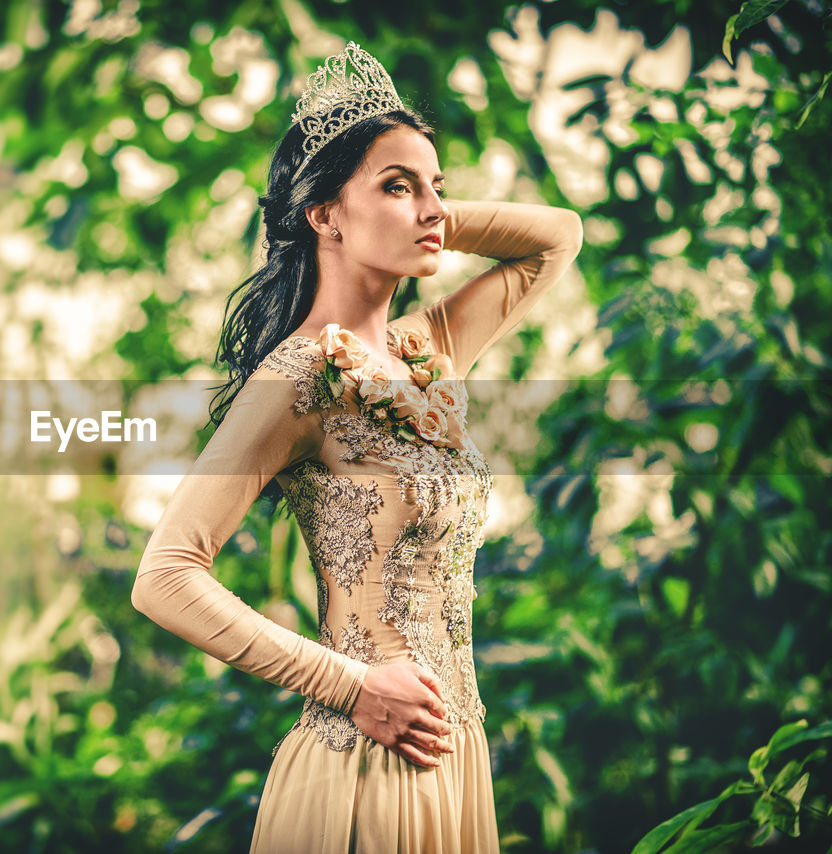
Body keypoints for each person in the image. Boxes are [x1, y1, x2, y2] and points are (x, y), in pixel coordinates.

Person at [131, 41, 582, 852]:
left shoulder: (428, 346)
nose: (430, 208)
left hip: (455, 762)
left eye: (435, 188)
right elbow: (164, 575)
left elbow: (557, 237)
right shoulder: (301, 374)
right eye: (396, 187)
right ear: (324, 213)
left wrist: (429, 215)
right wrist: (350, 686)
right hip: (363, 765)